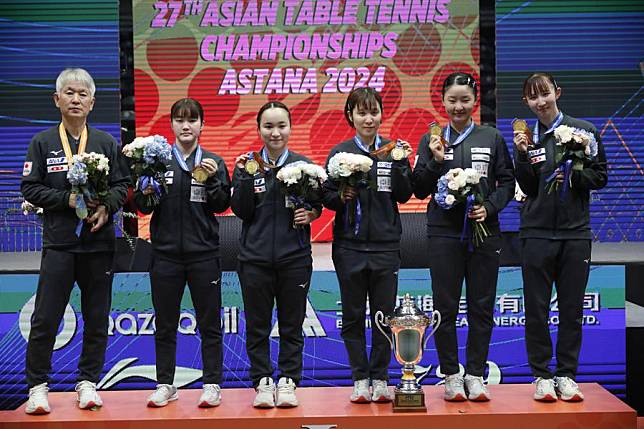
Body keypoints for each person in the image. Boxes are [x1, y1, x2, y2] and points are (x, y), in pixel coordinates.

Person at [21, 68, 129, 414]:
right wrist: (65, 200)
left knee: (97, 318)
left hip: (99, 245)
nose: (76, 99)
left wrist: (107, 210)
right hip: (60, 244)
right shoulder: (42, 143)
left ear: (93, 102)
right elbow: (30, 188)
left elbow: (121, 186)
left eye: (83, 94)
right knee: (45, 318)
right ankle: (38, 386)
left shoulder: (106, 143)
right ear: (57, 100)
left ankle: (88, 382)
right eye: (69, 93)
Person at [412, 72, 514, 402]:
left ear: (475, 102)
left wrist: (490, 208)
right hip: (443, 234)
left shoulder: (492, 137)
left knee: (481, 307)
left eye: (465, 100)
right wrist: (434, 161)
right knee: (445, 307)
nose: (458, 106)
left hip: (485, 234)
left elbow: (507, 183)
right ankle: (451, 374)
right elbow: (418, 187)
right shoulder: (432, 139)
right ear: (442, 102)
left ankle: (475, 374)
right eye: (452, 100)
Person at [513, 72, 607, 402]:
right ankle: (541, 375)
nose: (541, 101)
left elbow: (601, 176)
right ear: (526, 102)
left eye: (545, 94)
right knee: (536, 310)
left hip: (574, 234)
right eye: (533, 97)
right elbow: (525, 187)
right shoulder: (525, 136)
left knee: (571, 310)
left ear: (558, 93)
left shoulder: (584, 132)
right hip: (535, 234)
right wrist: (523, 155)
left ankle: (566, 375)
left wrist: (573, 168)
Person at [134, 98, 231, 408]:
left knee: (209, 324)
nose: (186, 125)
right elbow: (141, 206)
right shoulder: (158, 163)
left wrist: (213, 178)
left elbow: (221, 205)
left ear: (202, 124)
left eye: (192, 119)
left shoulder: (213, 162)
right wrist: (145, 193)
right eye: (179, 119)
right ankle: (166, 383)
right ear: (172, 125)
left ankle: (212, 383)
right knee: (164, 323)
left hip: (204, 256)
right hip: (164, 256)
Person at [322, 87, 413, 404]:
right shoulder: (339, 153)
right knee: (352, 315)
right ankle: (360, 378)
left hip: (386, 247)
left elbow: (403, 194)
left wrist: (402, 163)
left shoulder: (391, 151)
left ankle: (381, 377)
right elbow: (327, 197)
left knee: (384, 316)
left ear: (381, 114)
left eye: (373, 112)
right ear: (351, 116)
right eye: (361, 112)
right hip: (349, 247)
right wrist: (340, 196)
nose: (368, 118)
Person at [231, 101, 321, 408]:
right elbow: (241, 211)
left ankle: (288, 381)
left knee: (291, 324)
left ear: (291, 128)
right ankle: (262, 381)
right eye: (268, 126)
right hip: (254, 261)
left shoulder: (304, 167)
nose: (275, 132)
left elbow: (317, 206)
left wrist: (311, 213)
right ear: (258, 130)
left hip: (293, 259)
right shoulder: (248, 165)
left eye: (281, 125)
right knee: (256, 325)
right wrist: (242, 177)